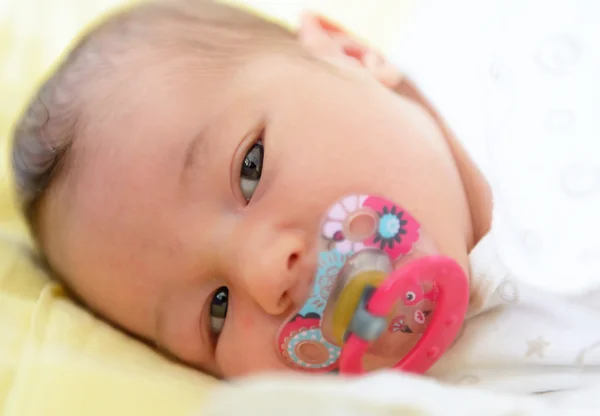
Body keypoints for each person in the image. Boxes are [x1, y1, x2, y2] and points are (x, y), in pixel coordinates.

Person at [10, 0, 600, 394]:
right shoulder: (428, 395)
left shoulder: (519, 40)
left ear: (349, 54)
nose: (266, 273)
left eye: (251, 167)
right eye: (216, 311)